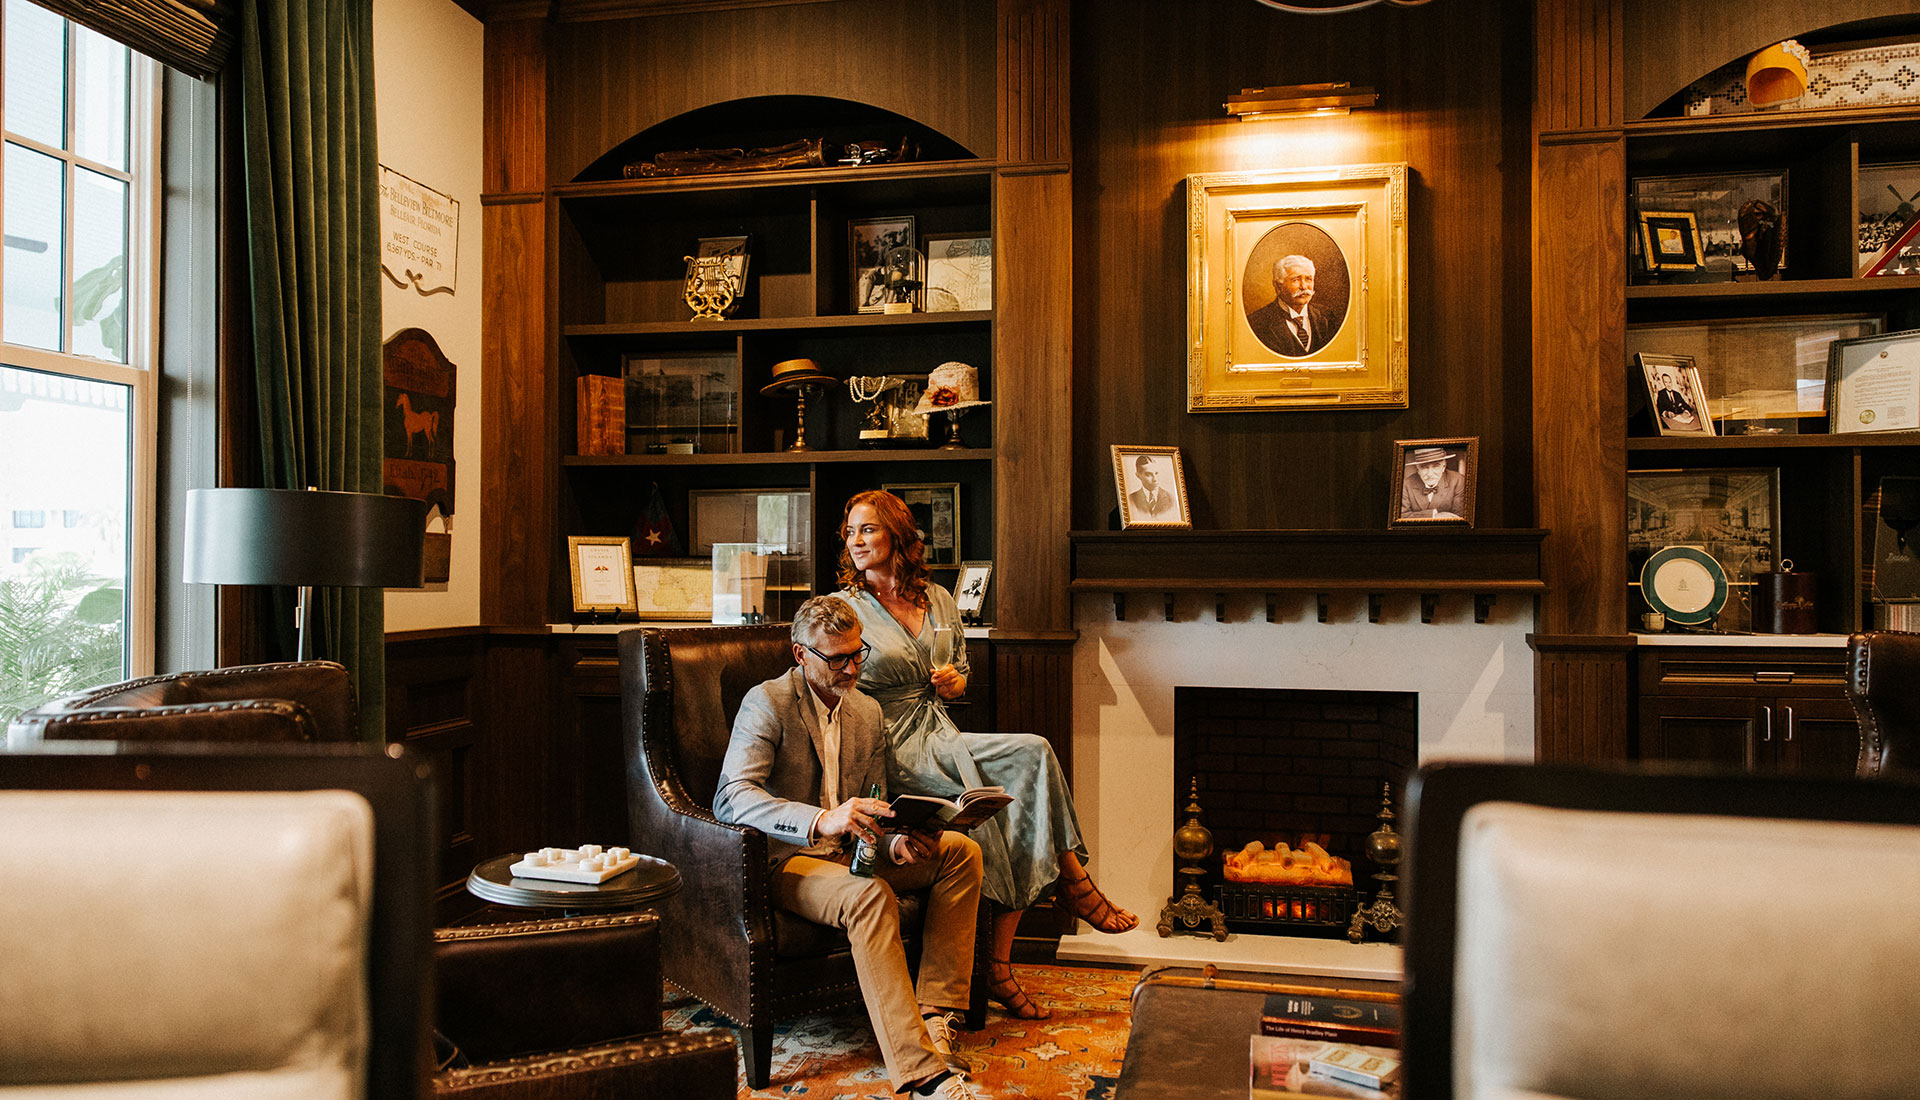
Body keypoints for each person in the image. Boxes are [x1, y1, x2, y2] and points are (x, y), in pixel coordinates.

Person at [833, 490, 1137, 1022]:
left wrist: (954, 682)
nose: (856, 541)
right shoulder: (845, 610)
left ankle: (1006, 958)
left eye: (868, 530)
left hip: (940, 729)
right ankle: (1073, 888)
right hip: (888, 744)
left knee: (1020, 777)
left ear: (897, 536)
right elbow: (832, 679)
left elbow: (962, 670)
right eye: (851, 532)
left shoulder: (940, 600)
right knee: (1017, 779)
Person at [713, 596, 985, 1100]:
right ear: (800, 655)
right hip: (787, 860)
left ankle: (934, 1014)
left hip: (854, 852)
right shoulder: (766, 701)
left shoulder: (866, 709)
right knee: (870, 897)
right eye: (836, 658)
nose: (852, 667)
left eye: (858, 653)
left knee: (960, 852)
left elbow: (875, 804)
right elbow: (731, 797)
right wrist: (821, 818)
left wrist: (898, 842)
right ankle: (921, 1072)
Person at [1244, 254, 1339, 357]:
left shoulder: (1328, 317)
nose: (1303, 286)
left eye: (1308, 279)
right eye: (1296, 280)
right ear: (1278, 286)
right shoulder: (1257, 322)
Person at [1400, 446, 1466, 519]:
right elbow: (1401, 516)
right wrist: (1434, 515)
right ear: (1418, 469)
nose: (1430, 474)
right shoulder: (1406, 483)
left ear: (1443, 467)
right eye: (1424, 467)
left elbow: (1459, 517)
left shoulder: (1458, 480)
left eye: (1435, 466)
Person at [1126, 454, 1177, 518]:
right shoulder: (1130, 500)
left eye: (1156, 473)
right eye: (1149, 474)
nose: (1155, 479)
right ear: (1138, 475)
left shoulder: (1171, 499)